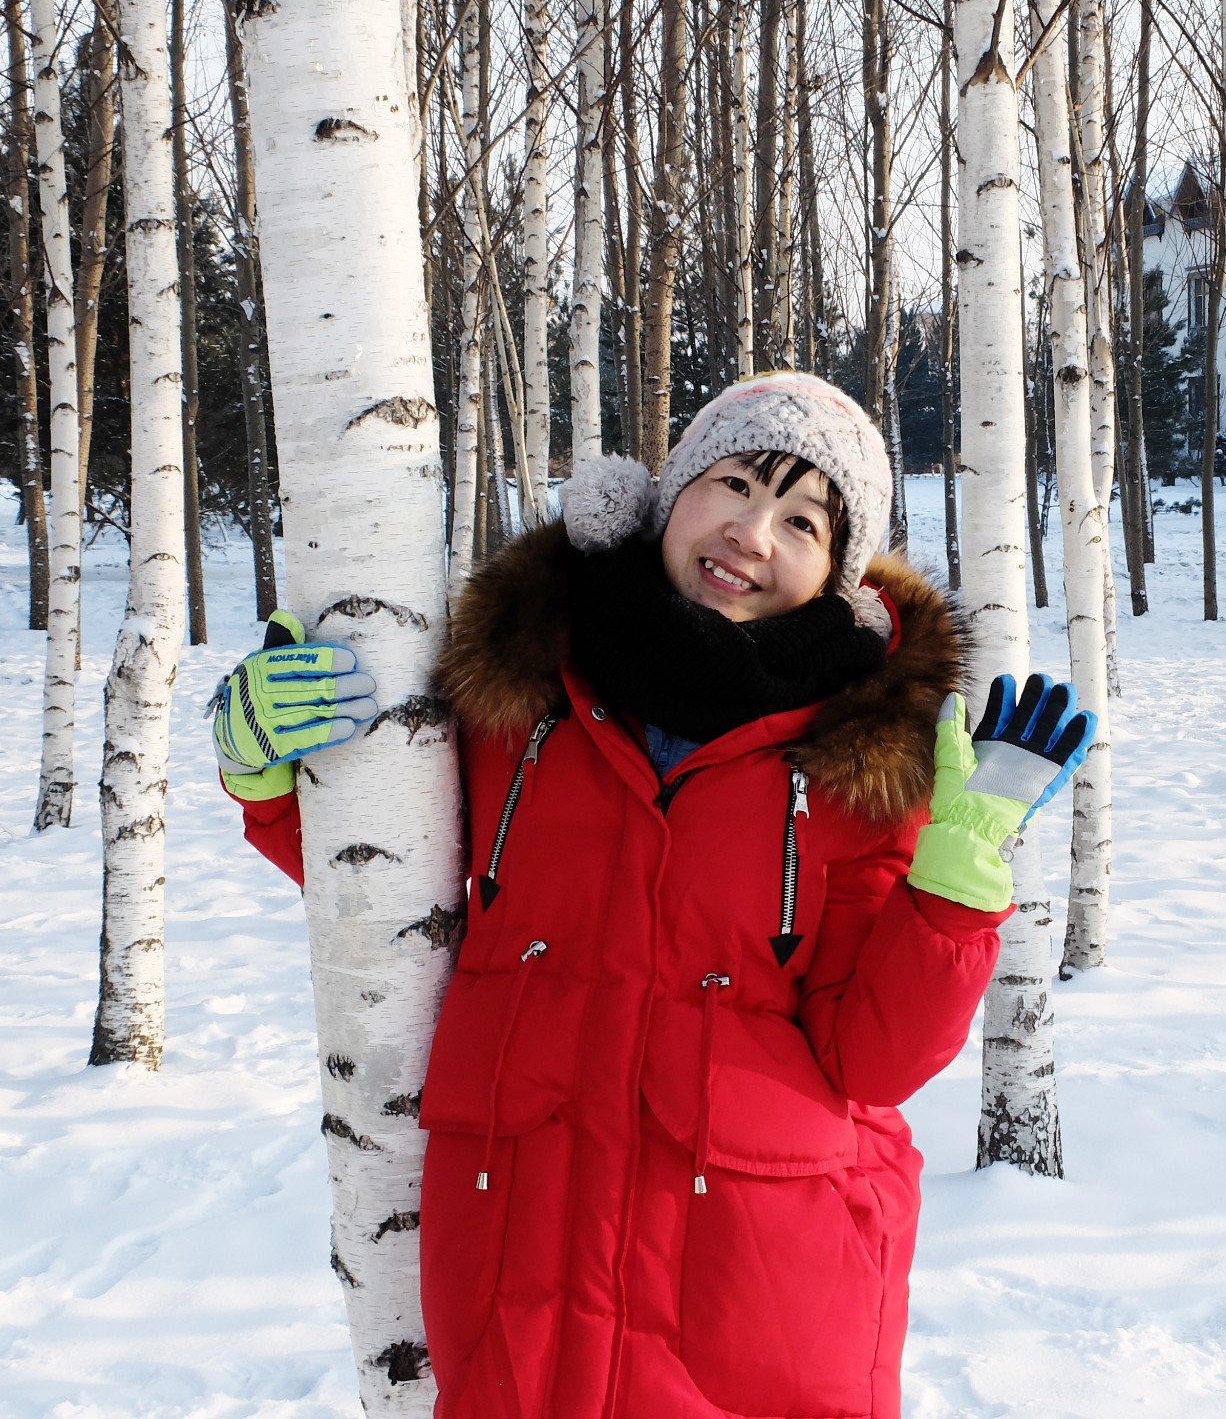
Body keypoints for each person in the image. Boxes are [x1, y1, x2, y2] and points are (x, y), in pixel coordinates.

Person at [212, 370, 1093, 1419]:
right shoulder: (518, 691)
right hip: (518, 1268)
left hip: (757, 1300)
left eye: (803, 519)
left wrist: (958, 877)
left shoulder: (867, 765)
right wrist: (270, 775)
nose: (751, 534)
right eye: (732, 483)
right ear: (664, 494)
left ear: (838, 574)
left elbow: (876, 1061)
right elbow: (388, 887)